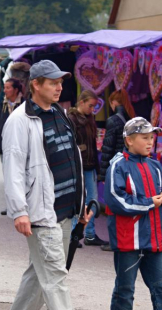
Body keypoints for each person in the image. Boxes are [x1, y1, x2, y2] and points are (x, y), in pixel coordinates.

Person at [2, 60, 87, 310]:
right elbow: (13, 169)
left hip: (64, 211)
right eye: (53, 83)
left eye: (60, 82)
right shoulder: (20, 120)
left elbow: (73, 160)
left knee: (38, 276)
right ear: (36, 85)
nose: (59, 87)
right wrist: (20, 211)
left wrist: (80, 205)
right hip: (42, 214)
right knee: (55, 277)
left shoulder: (59, 112)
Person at [104, 117, 162, 310]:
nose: (150, 142)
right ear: (129, 140)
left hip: (155, 239)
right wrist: (150, 203)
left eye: (151, 138)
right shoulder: (118, 166)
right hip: (128, 241)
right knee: (124, 291)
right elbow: (116, 201)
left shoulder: (155, 166)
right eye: (144, 138)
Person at [68, 90, 109, 247]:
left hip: (90, 165)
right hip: (78, 165)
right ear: (81, 102)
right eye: (90, 106)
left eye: (94, 106)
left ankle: (90, 234)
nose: (92, 109)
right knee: (77, 200)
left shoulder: (90, 118)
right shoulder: (72, 119)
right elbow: (71, 144)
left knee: (92, 200)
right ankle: (73, 234)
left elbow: (93, 144)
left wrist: (98, 169)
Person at [99, 89, 134, 251]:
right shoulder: (133, 118)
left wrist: (103, 172)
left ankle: (115, 242)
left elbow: (107, 148)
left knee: (113, 207)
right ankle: (127, 240)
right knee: (127, 206)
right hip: (131, 167)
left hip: (116, 167)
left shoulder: (113, 120)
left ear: (114, 103)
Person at [0, 78, 24, 215]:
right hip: (5, 149)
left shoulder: (26, 105)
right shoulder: (1, 106)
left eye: (8, 87)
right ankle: (11, 206)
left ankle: (23, 206)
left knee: (23, 176)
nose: (5, 90)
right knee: (9, 177)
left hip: (23, 149)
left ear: (16, 90)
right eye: (4, 87)